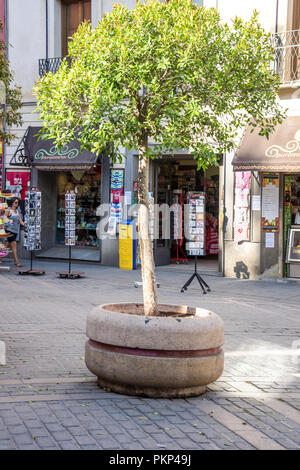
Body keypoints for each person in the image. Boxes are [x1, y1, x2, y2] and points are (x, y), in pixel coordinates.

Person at [6, 197, 24, 267]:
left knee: (7, 247)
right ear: (12, 203)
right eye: (16, 202)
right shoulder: (8, 211)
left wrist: (27, 225)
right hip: (9, 231)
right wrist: (9, 221)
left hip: (15, 232)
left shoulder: (17, 212)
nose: (17, 204)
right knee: (14, 245)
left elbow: (21, 222)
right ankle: (16, 262)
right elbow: (4, 219)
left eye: (17, 202)